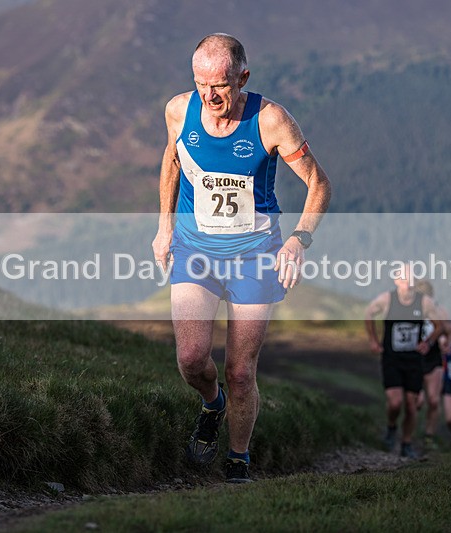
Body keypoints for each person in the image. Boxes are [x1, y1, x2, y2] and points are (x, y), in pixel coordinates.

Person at [152, 34, 331, 483]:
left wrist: (299, 240)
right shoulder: (179, 110)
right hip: (195, 249)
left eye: (220, 85)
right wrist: (164, 226)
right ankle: (212, 405)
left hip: (254, 256)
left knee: (239, 371)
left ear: (243, 78)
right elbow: (172, 161)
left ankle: (237, 459)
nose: (209, 96)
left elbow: (319, 183)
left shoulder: (270, 120)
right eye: (200, 84)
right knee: (191, 358)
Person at [365, 268, 445, 458]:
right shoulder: (387, 299)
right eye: (402, 278)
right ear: (396, 281)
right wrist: (373, 341)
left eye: (409, 278)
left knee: (411, 404)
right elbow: (369, 313)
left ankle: (406, 443)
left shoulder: (424, 302)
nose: (406, 282)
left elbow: (439, 325)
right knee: (395, 402)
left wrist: (428, 342)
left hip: (413, 360)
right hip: (392, 358)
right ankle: (392, 426)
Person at [414, 280, 447, 449]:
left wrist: (443, 341)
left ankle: (429, 436)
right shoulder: (411, 311)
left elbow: (446, 331)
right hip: (415, 359)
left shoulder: (439, 312)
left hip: (433, 359)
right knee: (417, 401)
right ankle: (409, 434)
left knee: (433, 401)